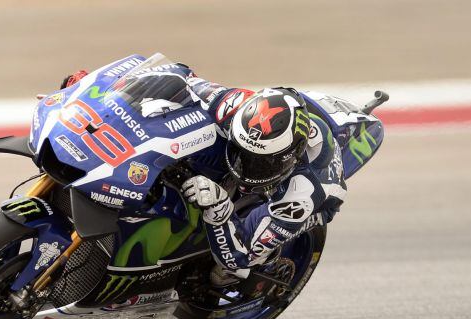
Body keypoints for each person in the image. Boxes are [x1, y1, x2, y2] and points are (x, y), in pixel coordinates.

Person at [62, 63, 347, 279]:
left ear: (290, 155)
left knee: (237, 268)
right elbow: (180, 77)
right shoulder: (233, 106)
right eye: (243, 152)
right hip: (255, 142)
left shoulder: (304, 192)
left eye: (261, 161)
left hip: (301, 202)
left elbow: (238, 256)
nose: (247, 165)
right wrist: (98, 90)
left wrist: (220, 206)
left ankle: (259, 263)